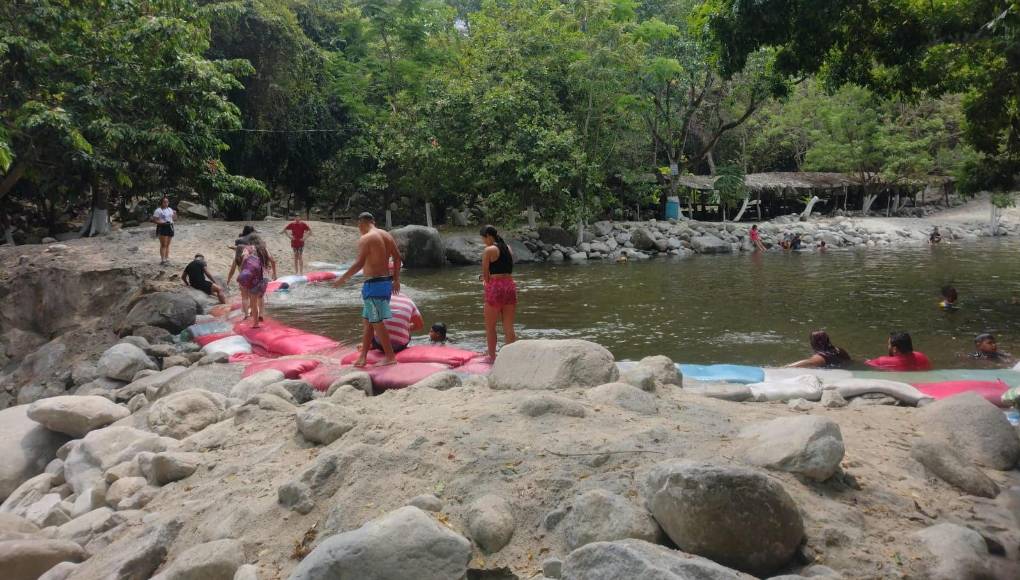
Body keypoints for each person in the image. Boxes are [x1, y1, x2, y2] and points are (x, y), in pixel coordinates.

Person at [332, 212, 402, 367]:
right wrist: (396, 279)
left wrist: (343, 278)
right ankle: (362, 357)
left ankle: (390, 357)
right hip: (384, 283)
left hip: (374, 285)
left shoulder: (366, 238)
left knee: (376, 322)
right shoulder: (386, 235)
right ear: (373, 221)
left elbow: (359, 264)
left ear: (360, 224)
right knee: (368, 322)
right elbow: (397, 258)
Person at [480, 224, 517, 360]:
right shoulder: (508, 249)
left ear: (489, 236)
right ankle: (511, 357)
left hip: (495, 287)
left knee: (490, 327)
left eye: (483, 239)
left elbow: (486, 275)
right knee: (509, 326)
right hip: (510, 286)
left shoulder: (489, 250)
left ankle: (491, 356)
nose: (484, 242)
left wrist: (483, 280)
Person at [237, 235, 276, 328]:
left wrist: (243, 270)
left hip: (253, 278)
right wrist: (275, 273)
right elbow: (273, 261)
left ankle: (255, 324)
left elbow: (244, 259)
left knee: (253, 301)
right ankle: (261, 314)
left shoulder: (248, 249)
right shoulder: (264, 249)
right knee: (260, 296)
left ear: (249, 242)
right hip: (265, 278)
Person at [226, 225, 257, 318]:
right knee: (252, 295)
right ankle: (251, 311)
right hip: (252, 276)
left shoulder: (236, 258)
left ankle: (246, 314)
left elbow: (232, 270)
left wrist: (228, 279)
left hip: (242, 277)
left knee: (244, 296)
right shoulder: (250, 255)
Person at [865, 331, 933, 371]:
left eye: (889, 344)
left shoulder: (882, 361)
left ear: (894, 349)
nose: (888, 347)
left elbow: (866, 364)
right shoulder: (922, 357)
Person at [786, 331, 851, 368]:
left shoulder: (820, 357)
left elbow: (808, 362)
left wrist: (785, 367)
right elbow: (849, 361)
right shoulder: (840, 351)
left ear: (812, 343)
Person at [152, 197, 176, 265]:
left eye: (167, 202)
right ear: (161, 203)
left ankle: (167, 258)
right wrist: (161, 223)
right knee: (163, 244)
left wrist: (175, 214)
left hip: (170, 226)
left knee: (168, 244)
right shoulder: (158, 210)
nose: (166, 203)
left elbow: (174, 219)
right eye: (164, 202)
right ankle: (163, 260)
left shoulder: (170, 209)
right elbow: (154, 220)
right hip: (162, 227)